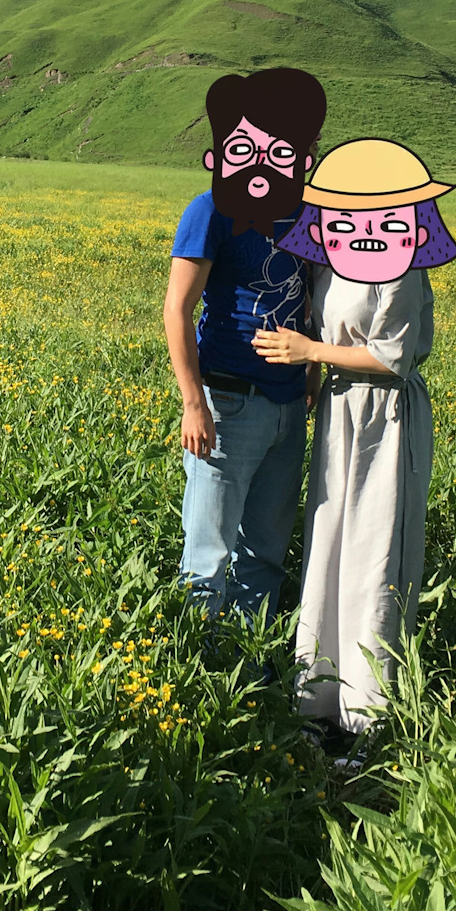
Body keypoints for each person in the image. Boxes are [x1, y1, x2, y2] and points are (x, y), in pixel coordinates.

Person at [253, 138, 456, 743]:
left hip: (384, 414)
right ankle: (316, 702)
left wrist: (309, 352)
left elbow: (392, 357)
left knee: (375, 552)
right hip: (342, 410)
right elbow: (325, 322)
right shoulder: (334, 257)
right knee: (330, 542)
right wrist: (317, 370)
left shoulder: (400, 265)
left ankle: (367, 718)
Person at [165, 67, 328, 621]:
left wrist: (309, 372)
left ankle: (247, 666)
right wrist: (194, 403)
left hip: (288, 406)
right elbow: (177, 309)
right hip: (228, 403)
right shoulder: (210, 209)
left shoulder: (309, 211)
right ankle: (200, 673)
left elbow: (307, 293)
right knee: (207, 553)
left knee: (264, 552)